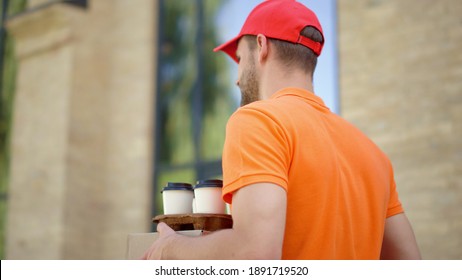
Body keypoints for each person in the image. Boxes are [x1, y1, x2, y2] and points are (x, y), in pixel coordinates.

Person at [142, 0, 421, 259]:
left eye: (239, 60)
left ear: (261, 46)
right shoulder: (373, 154)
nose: (237, 80)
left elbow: (254, 253)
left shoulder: (258, 121)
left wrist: (170, 248)